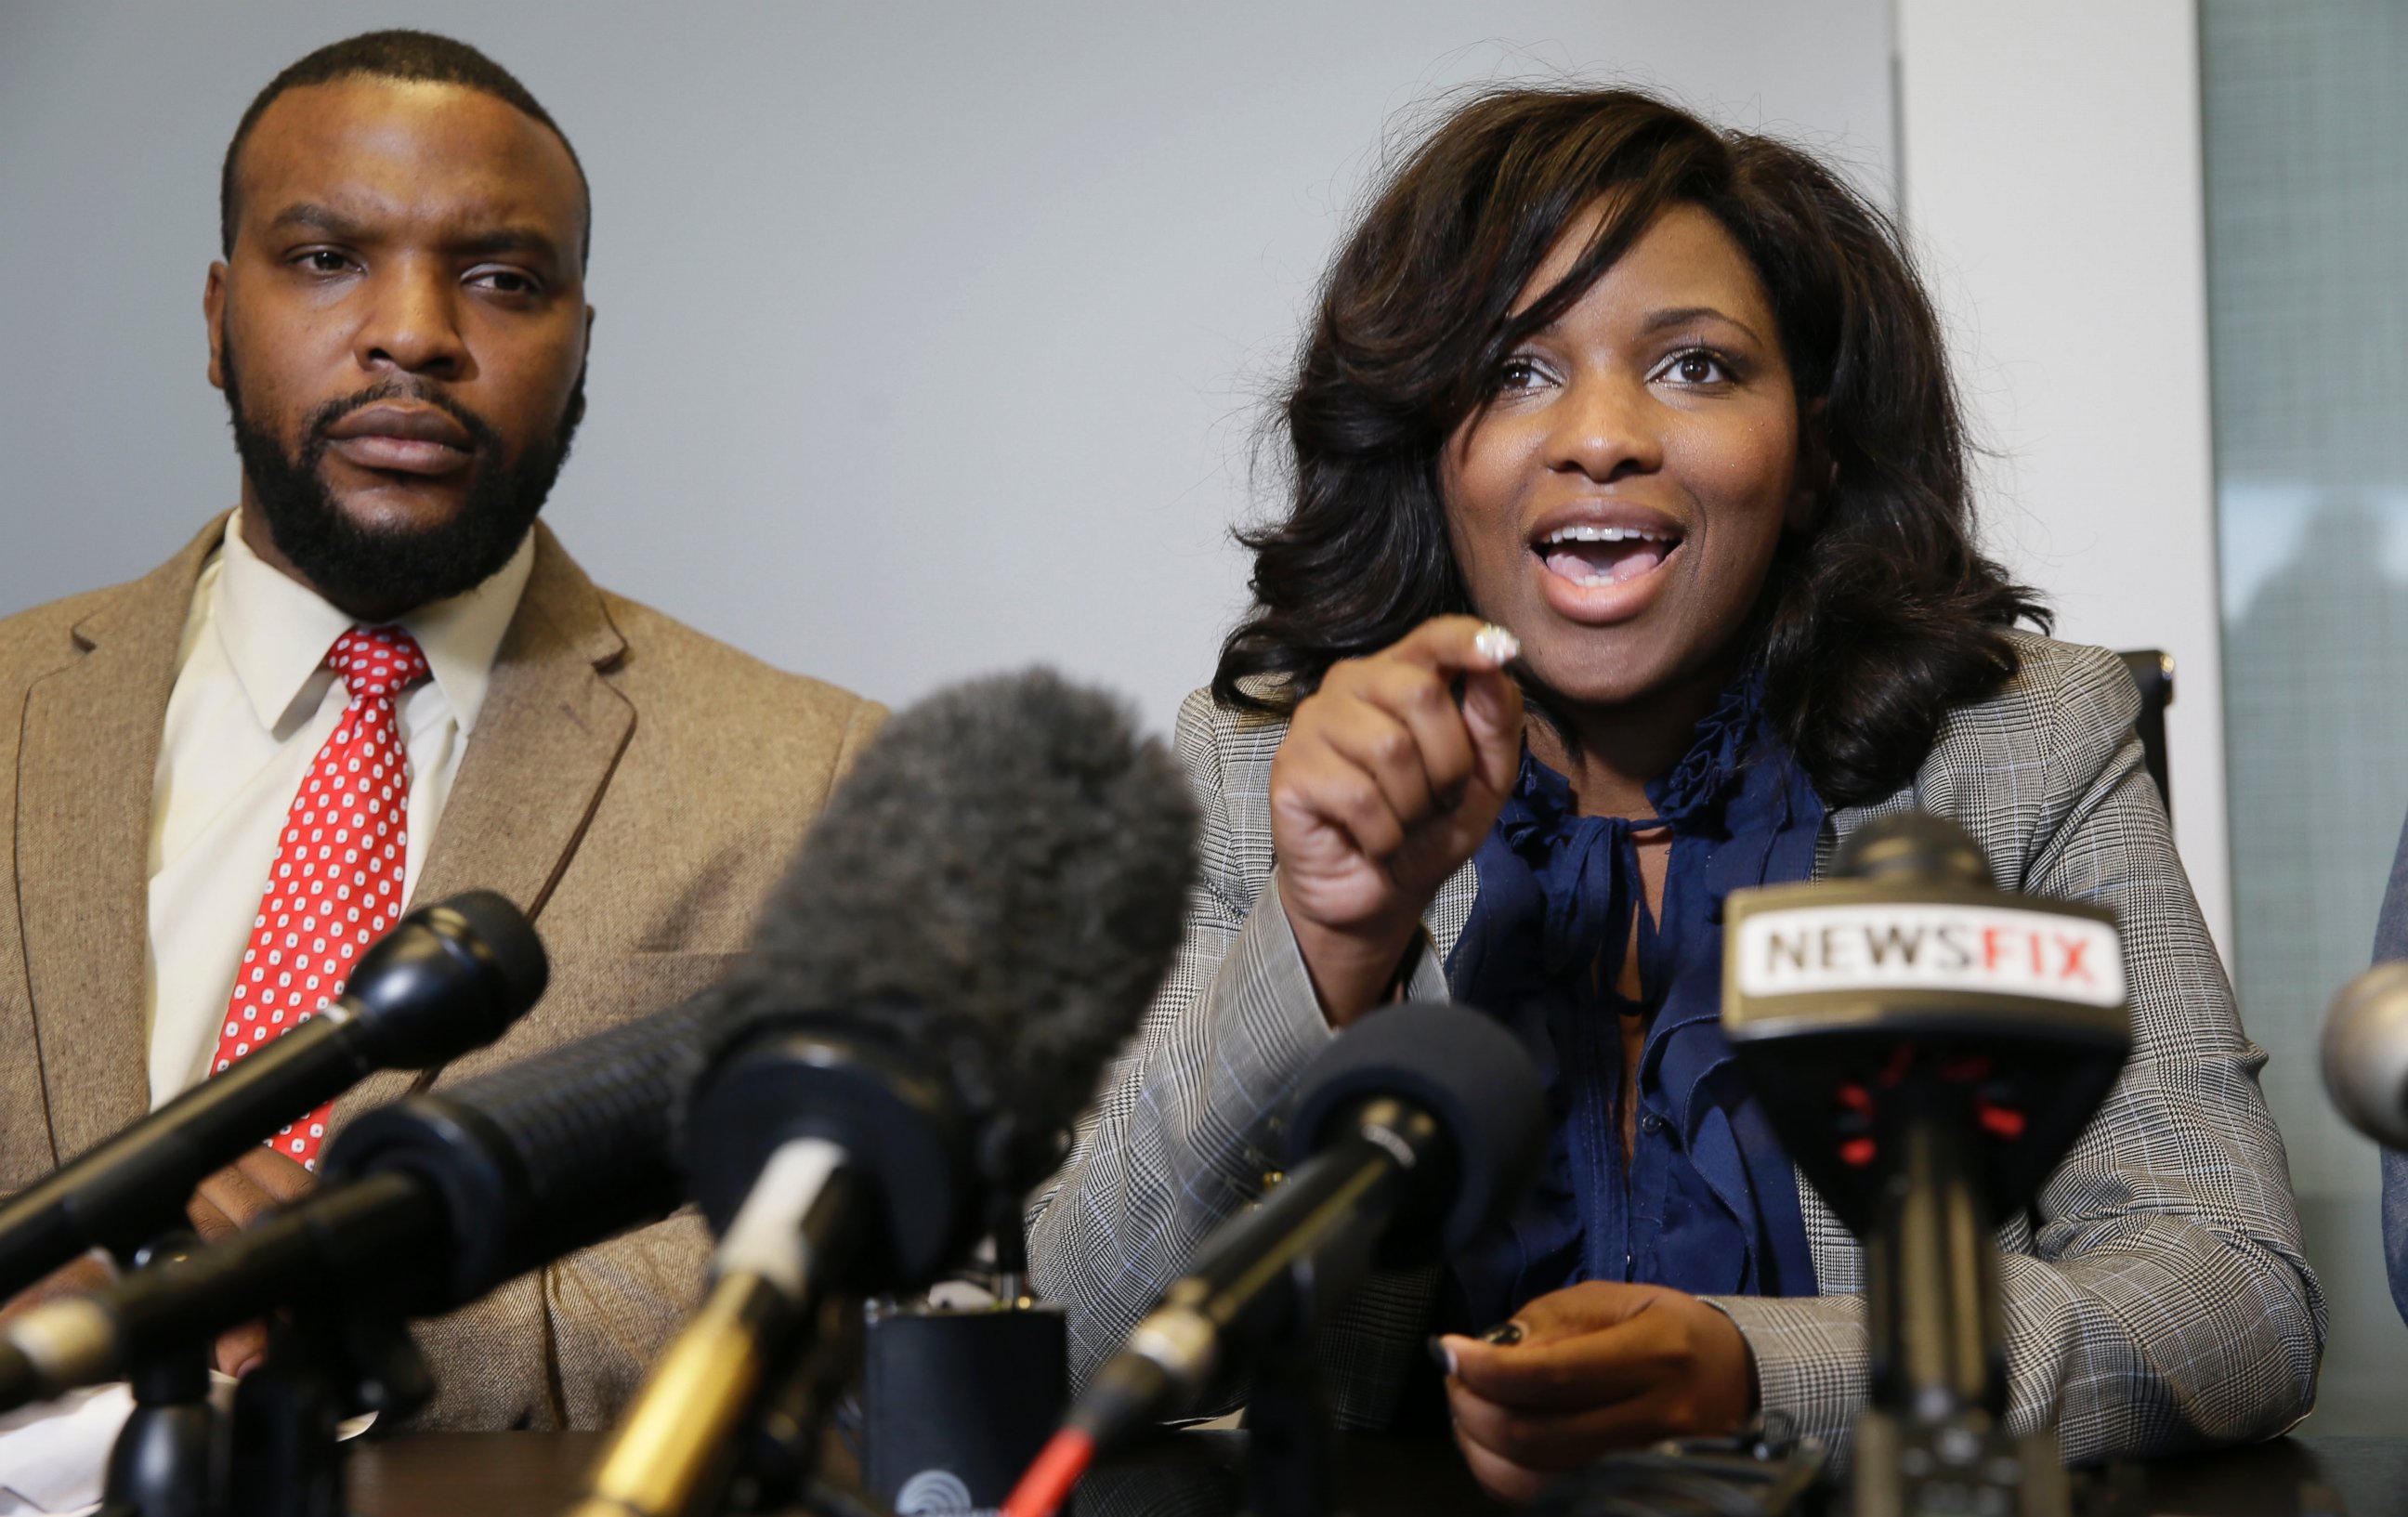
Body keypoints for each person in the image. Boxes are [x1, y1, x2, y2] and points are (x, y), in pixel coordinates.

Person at [1027, 86, 2322, 1501]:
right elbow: (1077, 1343)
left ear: (1814, 452)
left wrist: (1759, 1367)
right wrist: (1331, 937)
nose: (1600, 434)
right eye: (1516, 370)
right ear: (1426, 444)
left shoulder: (2018, 746)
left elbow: (2235, 1294)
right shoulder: (1259, 764)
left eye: (1695, 368)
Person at [0, 31, 880, 1429]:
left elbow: (843, 1257)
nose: (414, 331)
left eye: (501, 279)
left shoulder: (820, 776)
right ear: (218, 317)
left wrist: (345, 1310)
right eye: (328, 257)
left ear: (582, 345)